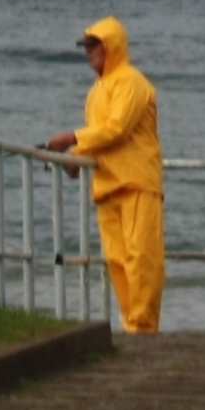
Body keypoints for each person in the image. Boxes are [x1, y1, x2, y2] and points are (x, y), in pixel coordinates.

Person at [42, 17, 164, 333]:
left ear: (111, 46)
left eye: (94, 45)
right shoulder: (95, 93)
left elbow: (116, 129)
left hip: (137, 182)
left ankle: (143, 326)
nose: (88, 52)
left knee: (142, 259)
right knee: (119, 263)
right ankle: (133, 324)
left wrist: (71, 140)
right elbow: (99, 138)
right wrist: (76, 159)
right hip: (107, 185)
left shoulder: (132, 82)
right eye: (86, 46)